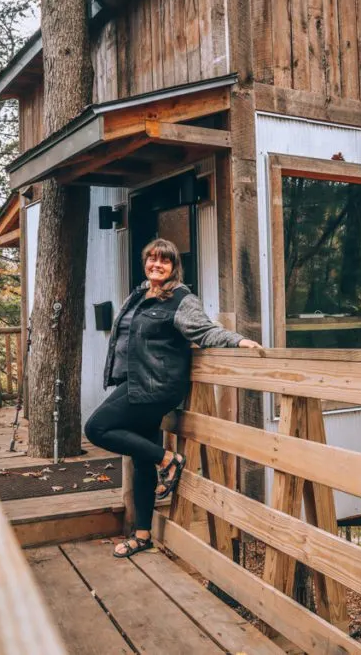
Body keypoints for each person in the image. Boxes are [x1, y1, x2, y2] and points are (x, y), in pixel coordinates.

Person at [85, 238, 261, 559]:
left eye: (163, 261)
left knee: (96, 428)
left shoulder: (181, 299)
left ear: (173, 266)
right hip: (135, 382)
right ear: (145, 262)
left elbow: (205, 331)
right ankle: (142, 535)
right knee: (140, 459)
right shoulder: (140, 294)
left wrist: (238, 341)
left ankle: (168, 460)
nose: (156, 265)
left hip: (155, 386)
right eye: (151, 259)